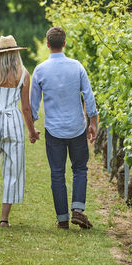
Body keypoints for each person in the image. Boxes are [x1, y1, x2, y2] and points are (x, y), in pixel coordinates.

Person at [30, 27, 98, 229]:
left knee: (57, 173)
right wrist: (92, 122)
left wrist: (32, 127)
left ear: (48, 44)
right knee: (79, 169)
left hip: (54, 129)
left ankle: (62, 218)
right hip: (77, 126)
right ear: (65, 43)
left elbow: (33, 104)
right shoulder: (77, 66)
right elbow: (89, 97)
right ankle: (77, 209)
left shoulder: (40, 70)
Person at [0, 35, 40, 227]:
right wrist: (31, 131)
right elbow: (26, 108)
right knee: (13, 168)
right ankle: (4, 218)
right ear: (15, 53)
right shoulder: (23, 73)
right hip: (12, 121)